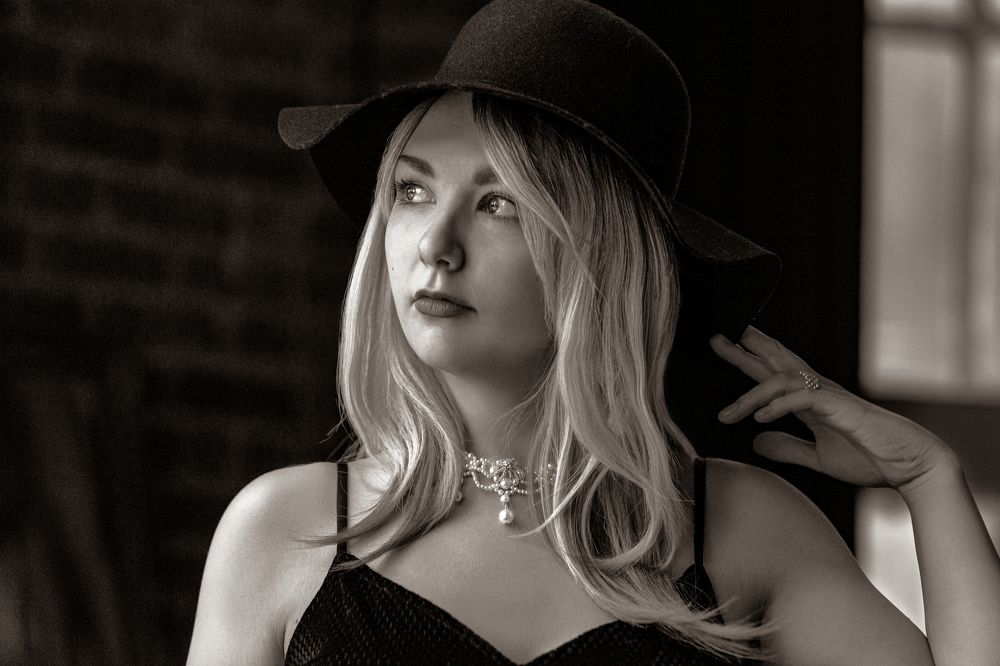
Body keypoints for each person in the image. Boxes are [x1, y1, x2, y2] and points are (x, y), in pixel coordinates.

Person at [187, 1, 1000, 664]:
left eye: (500, 203)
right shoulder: (285, 533)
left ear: (601, 259)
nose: (435, 244)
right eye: (411, 190)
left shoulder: (741, 531)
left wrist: (929, 479)